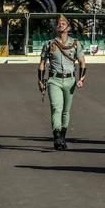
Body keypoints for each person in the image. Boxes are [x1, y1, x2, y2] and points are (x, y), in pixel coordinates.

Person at [38, 15, 86, 150]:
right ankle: (57, 136)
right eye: (58, 23)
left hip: (70, 81)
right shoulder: (49, 44)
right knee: (56, 108)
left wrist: (81, 79)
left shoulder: (75, 43)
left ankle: (63, 136)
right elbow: (42, 63)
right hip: (54, 80)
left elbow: (82, 62)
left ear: (68, 27)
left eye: (63, 23)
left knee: (66, 111)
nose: (60, 25)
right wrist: (40, 81)